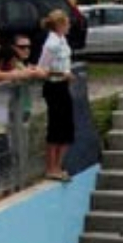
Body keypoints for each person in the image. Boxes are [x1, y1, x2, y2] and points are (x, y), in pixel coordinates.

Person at [0, 44, 46, 183]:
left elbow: (29, 73)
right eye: (12, 62)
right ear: (2, 61)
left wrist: (33, 70)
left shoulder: (7, 72)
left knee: (4, 162)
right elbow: (15, 75)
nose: (14, 65)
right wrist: (30, 72)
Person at [38, 10, 76, 181]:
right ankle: (51, 166)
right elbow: (43, 69)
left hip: (63, 86)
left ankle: (59, 165)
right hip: (54, 86)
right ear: (60, 25)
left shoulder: (62, 41)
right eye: (66, 24)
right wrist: (62, 74)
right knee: (56, 126)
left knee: (66, 126)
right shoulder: (51, 44)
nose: (69, 27)